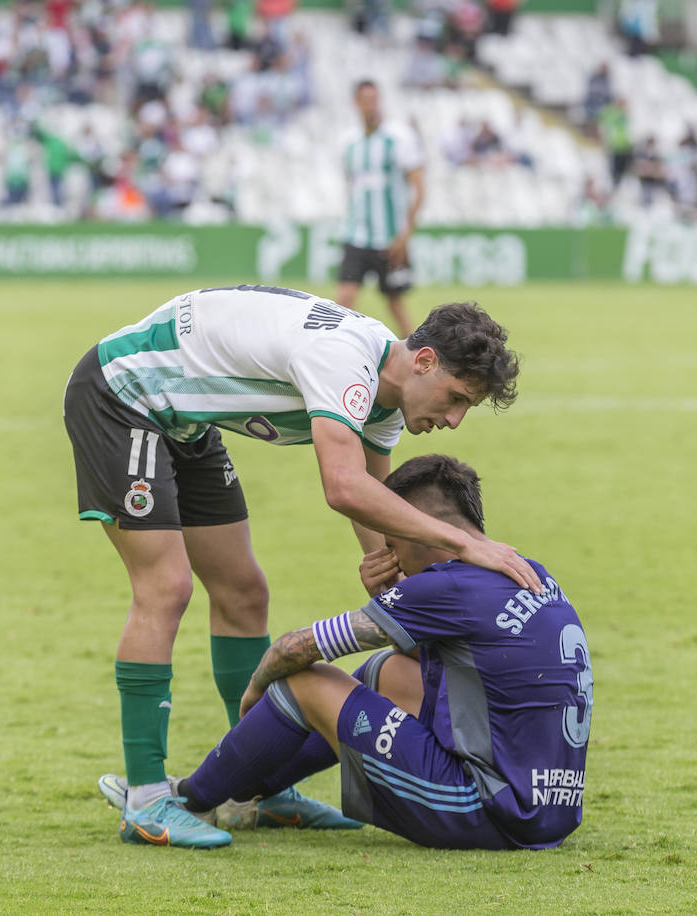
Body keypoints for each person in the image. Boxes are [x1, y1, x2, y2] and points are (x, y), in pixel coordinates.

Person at [63, 285, 541, 848]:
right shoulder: (344, 358)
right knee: (166, 588)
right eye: (457, 398)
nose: (456, 420)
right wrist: (466, 546)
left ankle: (251, 789)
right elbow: (343, 487)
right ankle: (145, 799)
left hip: (184, 418)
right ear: (425, 361)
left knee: (244, 592)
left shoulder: (387, 397)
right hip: (126, 396)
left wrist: (390, 574)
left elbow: (378, 507)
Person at [100, 454, 592, 850]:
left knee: (303, 682)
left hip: (485, 810)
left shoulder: (447, 587)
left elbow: (296, 648)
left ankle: (187, 798)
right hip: (549, 812)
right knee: (386, 671)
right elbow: (453, 665)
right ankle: (251, 795)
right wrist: (392, 596)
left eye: (394, 541)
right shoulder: (530, 572)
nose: (391, 556)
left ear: (427, 531)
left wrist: (254, 691)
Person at [334, 81, 425, 338]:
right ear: (356, 103)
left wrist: (405, 235)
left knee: (396, 303)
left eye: (375, 99)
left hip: (390, 238)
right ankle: (335, 353)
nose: (371, 105)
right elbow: (352, 188)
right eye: (366, 99)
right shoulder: (348, 143)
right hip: (356, 235)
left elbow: (419, 187)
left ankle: (420, 357)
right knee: (343, 300)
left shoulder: (399, 138)